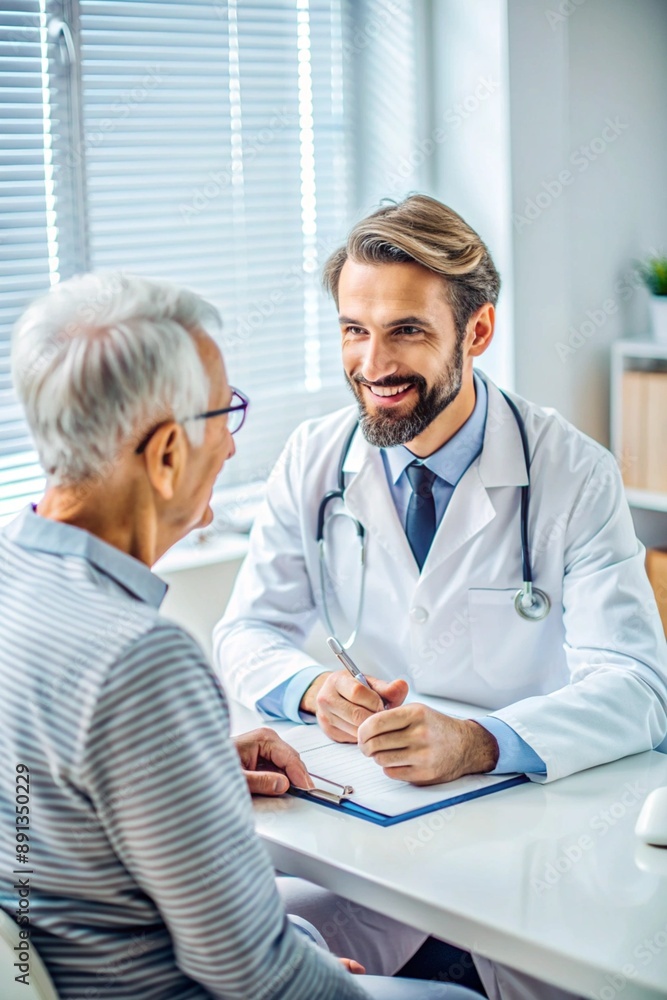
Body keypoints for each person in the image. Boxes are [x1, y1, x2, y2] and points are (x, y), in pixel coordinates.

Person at [214, 194, 667, 999]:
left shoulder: (572, 472)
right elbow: (247, 628)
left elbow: (637, 689)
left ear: (478, 332)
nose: (371, 363)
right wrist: (312, 688)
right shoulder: (316, 457)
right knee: (263, 945)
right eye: (355, 328)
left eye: (407, 331)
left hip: (540, 829)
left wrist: (477, 741)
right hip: (375, 828)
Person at [0, 272, 468, 1000]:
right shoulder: (140, 660)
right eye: (225, 412)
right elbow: (256, 976)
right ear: (164, 456)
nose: (227, 446)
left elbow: (33, 797)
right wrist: (312, 972)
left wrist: (181, 765)